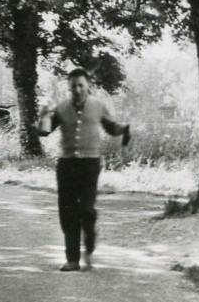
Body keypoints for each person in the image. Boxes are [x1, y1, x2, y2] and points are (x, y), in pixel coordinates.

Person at [38, 68, 131, 272]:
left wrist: (123, 129)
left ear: (88, 85)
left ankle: (89, 248)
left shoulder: (98, 106)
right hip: (67, 164)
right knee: (68, 212)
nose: (78, 89)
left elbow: (110, 127)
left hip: (90, 164)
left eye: (81, 85)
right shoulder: (61, 108)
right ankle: (72, 259)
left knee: (87, 210)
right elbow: (44, 131)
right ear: (69, 87)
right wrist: (43, 116)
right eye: (74, 86)